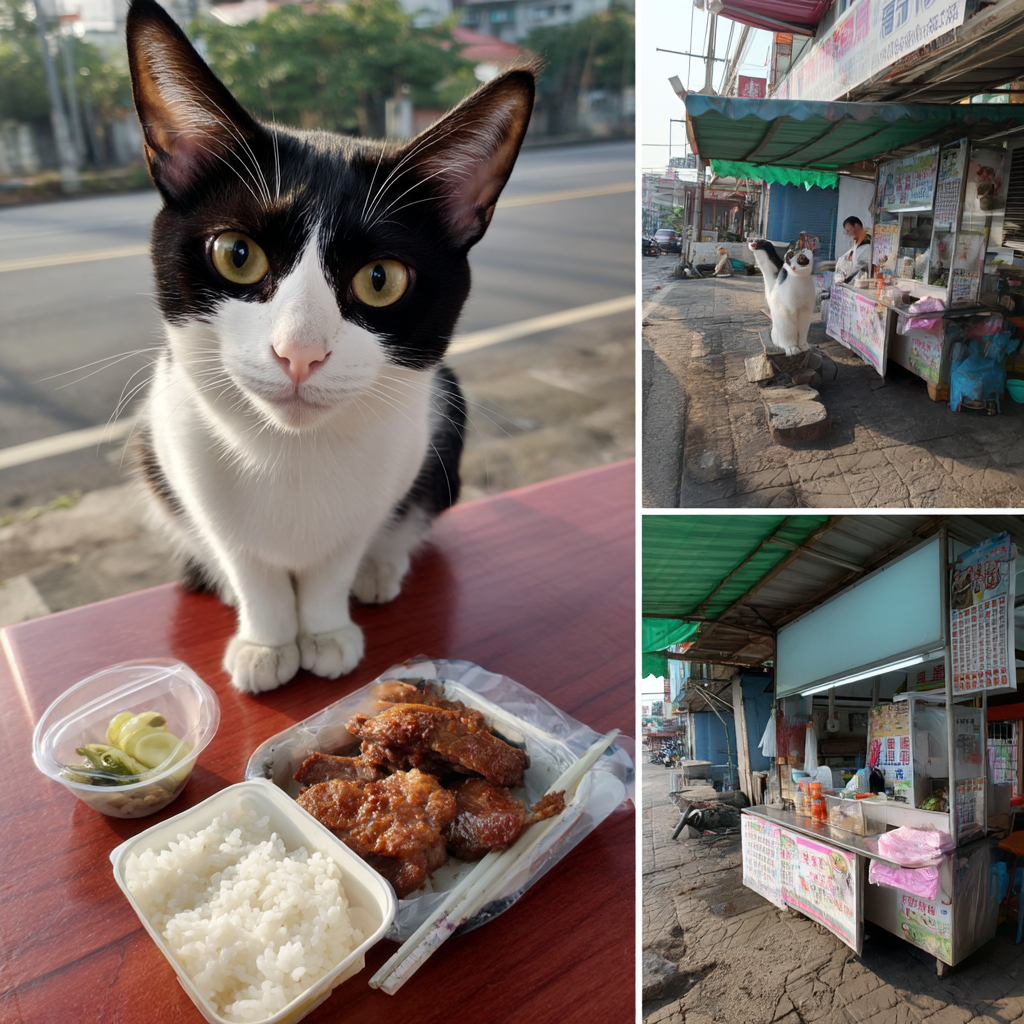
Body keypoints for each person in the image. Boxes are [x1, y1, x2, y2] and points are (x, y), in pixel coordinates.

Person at [835, 216, 873, 283]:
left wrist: (845, 279)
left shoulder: (867, 246)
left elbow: (857, 268)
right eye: (846, 231)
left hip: (861, 283)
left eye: (849, 230)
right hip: (853, 283)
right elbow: (843, 258)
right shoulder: (856, 245)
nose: (848, 234)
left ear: (857, 226)